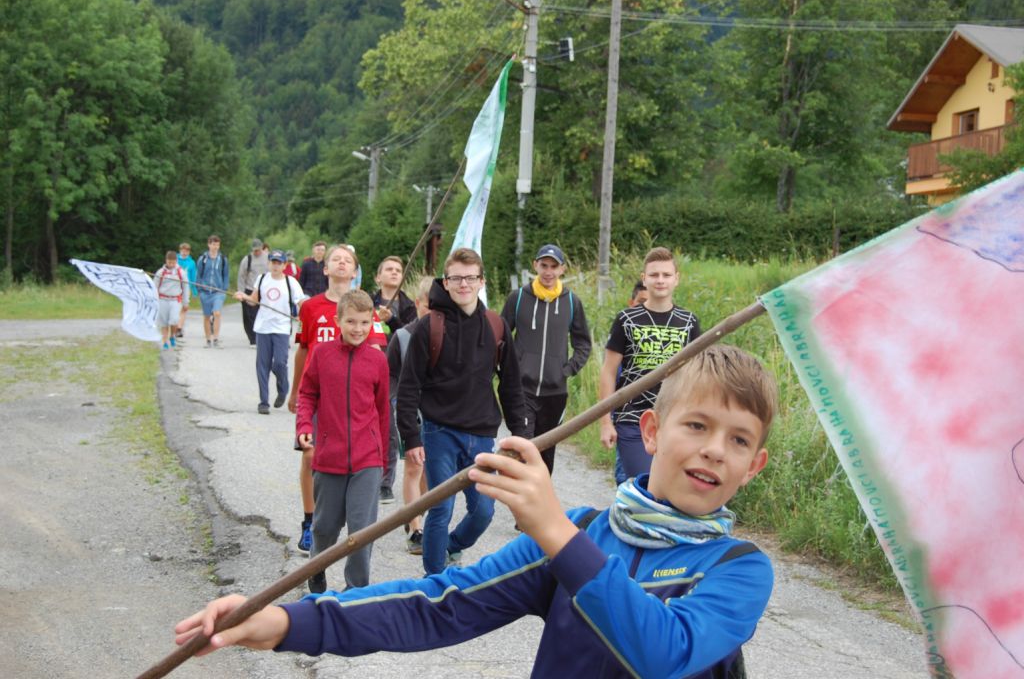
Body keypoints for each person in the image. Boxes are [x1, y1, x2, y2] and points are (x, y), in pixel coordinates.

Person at [174, 344, 778, 679]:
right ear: (648, 431)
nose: (713, 450)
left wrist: (554, 531)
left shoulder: (738, 569)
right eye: (696, 425)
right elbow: (438, 606)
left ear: (754, 467)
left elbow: (665, 654)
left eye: (738, 440)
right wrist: (283, 623)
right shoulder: (590, 532)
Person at [396, 247, 527, 575]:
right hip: (439, 431)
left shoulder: (496, 326)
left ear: (481, 281)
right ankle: (434, 581)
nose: (464, 284)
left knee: (483, 511)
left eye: (470, 278)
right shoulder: (429, 327)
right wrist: (411, 439)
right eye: (456, 278)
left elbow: (511, 384)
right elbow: (409, 387)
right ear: (447, 281)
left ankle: (450, 547)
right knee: (440, 508)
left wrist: (522, 434)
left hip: (482, 434)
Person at [287, 244, 387, 553]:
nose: (342, 265)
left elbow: (380, 383)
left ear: (356, 271)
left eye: (348, 261)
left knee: (361, 525)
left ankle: (355, 591)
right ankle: (310, 521)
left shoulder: (367, 311)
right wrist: (295, 392)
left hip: (358, 411)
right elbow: (304, 350)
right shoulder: (311, 307)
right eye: (336, 260)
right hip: (322, 395)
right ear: (325, 268)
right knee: (310, 456)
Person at [296, 289, 390, 594]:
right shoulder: (322, 355)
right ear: (338, 321)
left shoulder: (377, 361)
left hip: (367, 460)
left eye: (364, 322)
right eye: (351, 321)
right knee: (324, 529)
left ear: (372, 322)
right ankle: (316, 569)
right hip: (329, 457)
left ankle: (355, 592)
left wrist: (385, 459)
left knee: (361, 532)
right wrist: (303, 427)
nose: (358, 329)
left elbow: (382, 410)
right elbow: (307, 393)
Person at [600, 247, 702, 484]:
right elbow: (608, 372)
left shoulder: (689, 323)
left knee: (672, 488)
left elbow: (698, 374)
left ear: (676, 279)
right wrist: (605, 422)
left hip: (675, 419)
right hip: (632, 419)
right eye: (654, 275)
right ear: (644, 279)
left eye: (666, 275)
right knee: (644, 485)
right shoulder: (626, 319)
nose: (660, 280)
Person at [501, 244, 591, 476]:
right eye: (544, 265)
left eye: (554, 266)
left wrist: (568, 369)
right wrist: (509, 368)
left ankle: (537, 501)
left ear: (562, 269)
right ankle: (520, 500)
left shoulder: (572, 302)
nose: (548, 271)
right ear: (535, 266)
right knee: (524, 445)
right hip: (522, 389)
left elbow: (583, 342)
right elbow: (501, 337)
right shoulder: (518, 298)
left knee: (545, 452)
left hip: (555, 392)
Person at [385, 275, 433, 553]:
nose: (433, 313)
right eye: (428, 306)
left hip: (437, 412)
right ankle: (416, 529)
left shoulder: (445, 336)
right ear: (417, 304)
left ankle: (415, 511)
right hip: (408, 410)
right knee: (413, 465)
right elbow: (390, 373)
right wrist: (395, 400)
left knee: (426, 467)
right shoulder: (402, 336)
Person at [234, 249, 307, 415]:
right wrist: (243, 297)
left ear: (284, 265)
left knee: (280, 363)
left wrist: (309, 312)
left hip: (281, 328)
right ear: (268, 264)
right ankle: (263, 402)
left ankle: (283, 388)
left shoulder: (291, 282)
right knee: (262, 365)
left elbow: (302, 303)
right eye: (273, 262)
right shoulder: (262, 279)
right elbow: (254, 301)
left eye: (279, 263)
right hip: (263, 327)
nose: (275, 265)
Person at [372, 255, 418, 503]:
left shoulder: (410, 305)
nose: (393, 272)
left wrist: (392, 320)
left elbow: (412, 334)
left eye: (398, 270)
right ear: (378, 277)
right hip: (369, 368)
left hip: (397, 372)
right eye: (388, 269)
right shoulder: (366, 302)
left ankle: (385, 481)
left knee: (390, 426)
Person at [195, 235, 229, 348]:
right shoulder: (203, 259)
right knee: (206, 316)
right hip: (205, 292)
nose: (215, 247)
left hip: (218, 291)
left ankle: (216, 338)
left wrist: (224, 289)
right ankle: (208, 339)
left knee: (217, 313)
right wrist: (199, 289)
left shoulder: (223, 259)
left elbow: (225, 275)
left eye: (217, 245)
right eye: (213, 244)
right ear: (209, 244)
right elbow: (198, 274)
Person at [154, 250, 189, 350]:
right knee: (164, 322)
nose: (171, 264)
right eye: (169, 262)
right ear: (166, 261)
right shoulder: (161, 272)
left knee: (174, 320)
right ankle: (165, 341)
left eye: (173, 262)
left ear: (176, 261)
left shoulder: (180, 272)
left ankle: (172, 335)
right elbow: (154, 287)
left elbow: (185, 287)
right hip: (162, 299)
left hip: (175, 300)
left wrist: (186, 302)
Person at [238, 238, 269, 346]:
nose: (257, 252)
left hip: (264, 290)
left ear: (262, 248)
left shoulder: (268, 258)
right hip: (250, 289)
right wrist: (241, 293)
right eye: (255, 250)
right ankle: (253, 338)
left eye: (259, 250)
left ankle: (262, 337)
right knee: (249, 316)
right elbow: (241, 276)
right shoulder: (248, 259)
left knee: (263, 314)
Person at [176, 242, 197, 339]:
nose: (184, 253)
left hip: (186, 287)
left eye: (186, 251)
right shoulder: (175, 259)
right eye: (183, 250)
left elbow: (193, 278)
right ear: (180, 250)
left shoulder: (191, 263)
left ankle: (179, 328)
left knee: (184, 307)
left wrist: (194, 291)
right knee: (176, 307)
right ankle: (174, 326)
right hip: (175, 286)